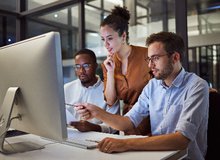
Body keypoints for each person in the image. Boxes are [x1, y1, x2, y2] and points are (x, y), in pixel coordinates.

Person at [75, 32, 209, 160]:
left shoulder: (196, 86)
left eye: (155, 58)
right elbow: (127, 122)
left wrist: (126, 144)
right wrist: (97, 112)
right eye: (149, 59)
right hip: (157, 156)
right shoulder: (152, 86)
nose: (150, 65)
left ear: (175, 57)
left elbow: (181, 140)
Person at [100, 6, 152, 135]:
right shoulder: (107, 64)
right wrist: (110, 72)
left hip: (154, 120)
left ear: (123, 36)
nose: (105, 44)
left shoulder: (147, 55)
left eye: (110, 38)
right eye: (103, 39)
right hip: (128, 123)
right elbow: (111, 101)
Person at [64, 48, 119, 133]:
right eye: (77, 67)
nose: (81, 71)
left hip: (98, 139)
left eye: (86, 66)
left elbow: (115, 125)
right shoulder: (66, 89)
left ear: (95, 66)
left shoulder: (109, 90)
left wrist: (93, 127)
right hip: (70, 136)